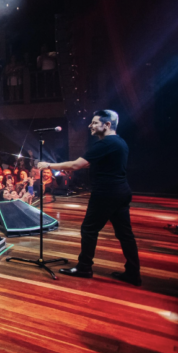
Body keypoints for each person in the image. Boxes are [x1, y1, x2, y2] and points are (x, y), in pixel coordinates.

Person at [39, 110, 141, 285]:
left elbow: (76, 164)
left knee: (89, 229)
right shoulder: (120, 142)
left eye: (94, 123)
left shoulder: (106, 143)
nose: (90, 126)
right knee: (125, 234)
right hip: (121, 191)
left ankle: (84, 267)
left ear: (107, 125)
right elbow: (97, 164)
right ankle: (133, 273)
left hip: (106, 193)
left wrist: (47, 164)